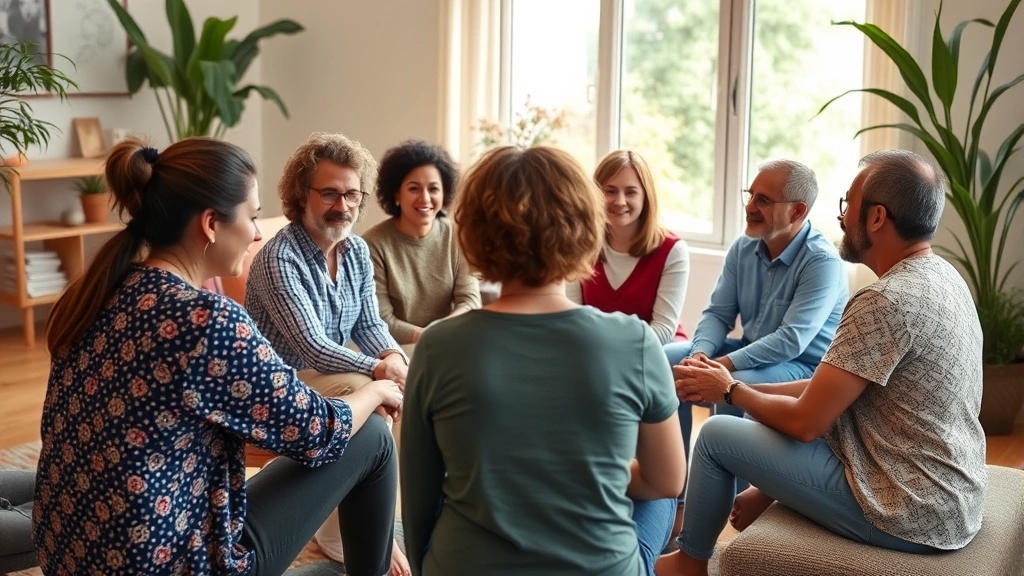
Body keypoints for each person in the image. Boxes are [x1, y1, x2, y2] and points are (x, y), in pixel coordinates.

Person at [35, 138, 403, 576]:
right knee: (373, 437)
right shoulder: (205, 318)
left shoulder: (96, 292)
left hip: (70, 554)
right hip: (170, 563)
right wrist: (380, 385)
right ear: (211, 224)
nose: (257, 232)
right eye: (251, 216)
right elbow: (316, 431)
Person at [656, 150, 987, 576]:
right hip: (949, 496)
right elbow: (832, 398)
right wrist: (731, 388)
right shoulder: (944, 277)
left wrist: (731, 390)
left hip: (907, 509)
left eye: (848, 205)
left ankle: (688, 562)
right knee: (741, 411)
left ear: (877, 218)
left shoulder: (884, 301)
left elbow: (807, 422)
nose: (841, 217)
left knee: (717, 435)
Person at [401, 145, 687, 576]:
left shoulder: (437, 345)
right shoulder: (635, 341)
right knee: (661, 493)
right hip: (598, 567)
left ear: (474, 233)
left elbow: (419, 499)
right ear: (585, 226)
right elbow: (667, 481)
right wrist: (587, 467)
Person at [245, 132, 411, 574]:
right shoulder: (279, 258)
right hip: (279, 385)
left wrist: (394, 357)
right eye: (330, 194)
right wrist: (380, 371)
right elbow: (311, 346)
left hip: (324, 379)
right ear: (301, 196)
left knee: (403, 386)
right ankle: (349, 535)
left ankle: (373, 518)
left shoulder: (356, 249)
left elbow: (370, 324)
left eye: (352, 194)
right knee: (370, 394)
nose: (343, 206)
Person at [663, 159, 847, 469]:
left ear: (798, 211)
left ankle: (734, 499)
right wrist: (699, 357)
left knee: (734, 382)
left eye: (763, 199)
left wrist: (718, 367)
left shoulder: (822, 262)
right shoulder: (743, 247)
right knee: (670, 359)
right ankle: (674, 484)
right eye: (750, 195)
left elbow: (791, 341)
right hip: (749, 349)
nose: (750, 206)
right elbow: (718, 314)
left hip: (799, 366)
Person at [362, 140, 480, 347]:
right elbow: (381, 319)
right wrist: (429, 336)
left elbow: (469, 301)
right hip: (395, 349)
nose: (425, 198)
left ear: (444, 194)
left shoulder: (457, 235)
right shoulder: (372, 244)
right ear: (397, 194)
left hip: (447, 341)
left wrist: (441, 333)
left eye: (434, 189)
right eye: (414, 188)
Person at [565, 149, 689, 345]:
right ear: (595, 194)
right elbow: (573, 317)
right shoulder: (580, 243)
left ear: (645, 197)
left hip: (656, 350)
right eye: (610, 191)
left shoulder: (672, 250)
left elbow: (664, 330)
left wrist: (610, 348)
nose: (620, 201)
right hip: (594, 348)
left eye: (630, 192)